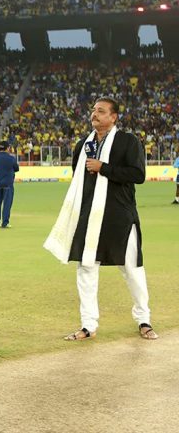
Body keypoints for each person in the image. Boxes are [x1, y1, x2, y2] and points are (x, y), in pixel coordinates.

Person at [44, 97, 157, 341]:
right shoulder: (82, 146)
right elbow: (79, 181)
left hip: (120, 216)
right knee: (85, 268)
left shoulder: (128, 142)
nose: (95, 114)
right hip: (90, 216)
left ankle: (144, 319)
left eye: (101, 111)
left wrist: (103, 167)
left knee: (132, 268)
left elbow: (138, 175)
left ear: (113, 117)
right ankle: (88, 325)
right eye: (93, 110)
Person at [0, 141, 19, 228]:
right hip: (8, 183)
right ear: (8, 148)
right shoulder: (11, 158)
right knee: (7, 203)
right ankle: (5, 222)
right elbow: (17, 168)